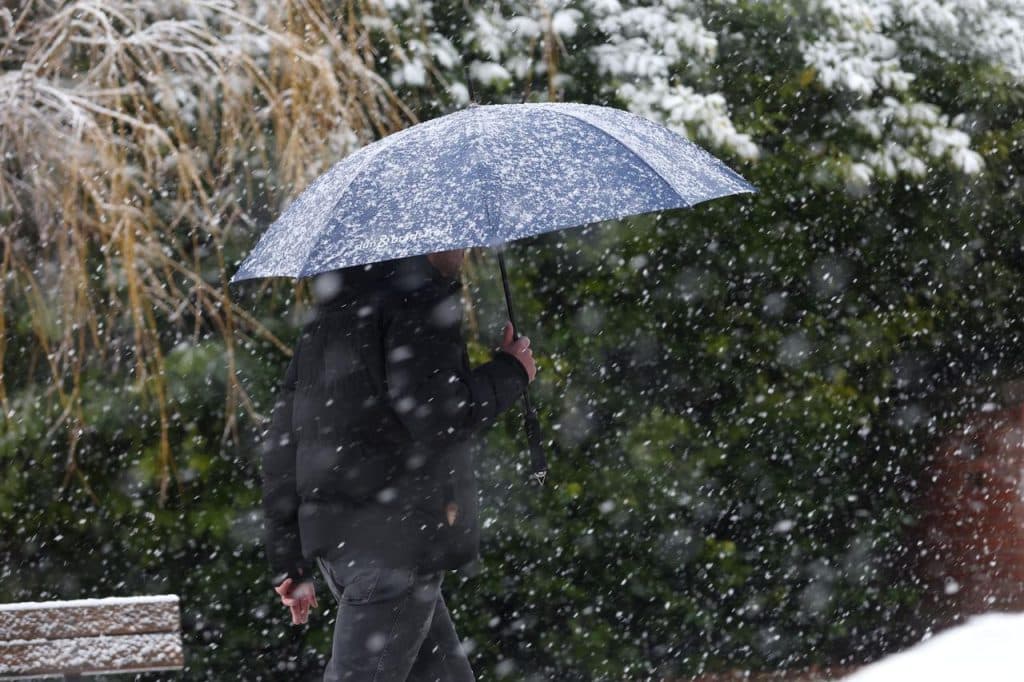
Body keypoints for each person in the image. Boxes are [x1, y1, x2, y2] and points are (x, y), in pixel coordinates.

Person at [261, 248, 536, 681]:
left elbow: (284, 439)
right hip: (396, 546)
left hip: (347, 550)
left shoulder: (334, 308)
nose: (466, 250)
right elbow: (438, 416)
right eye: (458, 238)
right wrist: (511, 372)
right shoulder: (416, 302)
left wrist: (289, 558)